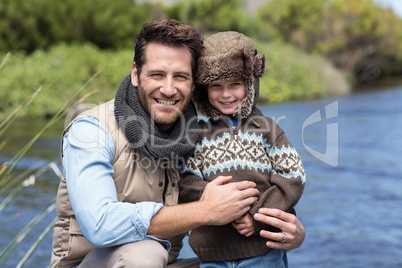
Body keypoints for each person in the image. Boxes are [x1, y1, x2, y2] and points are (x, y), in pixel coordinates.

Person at [50, 20, 305, 268]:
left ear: (194, 84)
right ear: (136, 74)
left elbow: (270, 184)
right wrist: (204, 210)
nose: (169, 89)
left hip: (165, 262)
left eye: (180, 77)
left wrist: (284, 228)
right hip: (100, 263)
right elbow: (100, 225)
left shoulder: (193, 133)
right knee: (145, 255)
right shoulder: (91, 130)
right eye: (157, 75)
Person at [179, 31, 306, 267]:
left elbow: (292, 177)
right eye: (216, 85)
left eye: (235, 84)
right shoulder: (197, 133)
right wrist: (218, 203)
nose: (226, 94)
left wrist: (257, 216)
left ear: (250, 84)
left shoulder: (268, 129)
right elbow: (186, 179)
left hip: (263, 252)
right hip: (213, 252)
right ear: (203, 89)